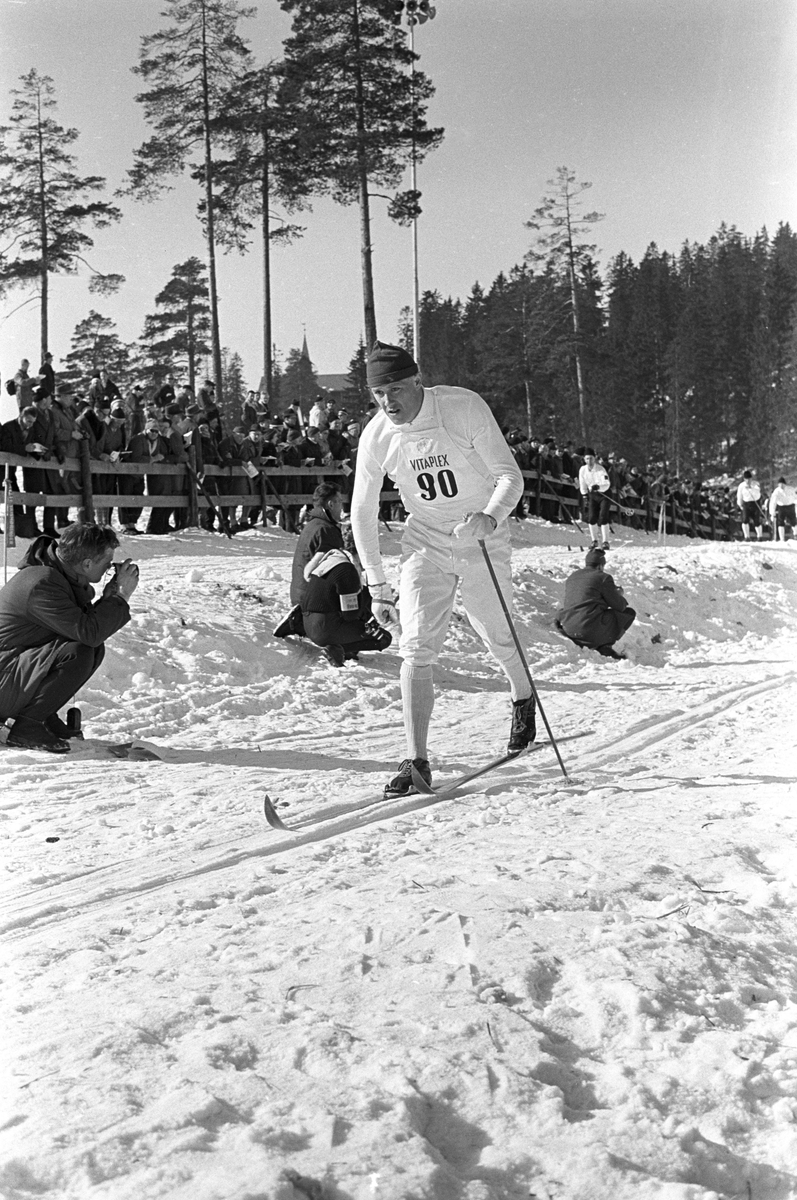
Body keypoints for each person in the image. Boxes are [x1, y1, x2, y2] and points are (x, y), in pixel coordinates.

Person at [350, 341, 534, 799]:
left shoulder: (461, 406)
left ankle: (523, 696)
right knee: (415, 647)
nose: (388, 402)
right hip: (426, 541)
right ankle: (416, 761)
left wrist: (489, 517)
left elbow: (510, 475)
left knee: (496, 635)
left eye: (395, 389)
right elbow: (361, 510)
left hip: (482, 539)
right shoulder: (377, 436)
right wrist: (377, 583)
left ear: (417, 381)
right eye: (378, 394)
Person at [0, 523, 138, 752]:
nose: (108, 570)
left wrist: (108, 598)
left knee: (90, 648)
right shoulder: (42, 583)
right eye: (106, 564)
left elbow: (84, 627)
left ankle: (42, 715)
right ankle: (26, 726)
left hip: (12, 670)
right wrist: (121, 597)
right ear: (86, 564)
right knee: (79, 651)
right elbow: (88, 632)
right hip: (5, 674)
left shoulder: (59, 575)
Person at [301, 534, 392, 667]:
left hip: (308, 624)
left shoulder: (332, 560)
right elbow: (350, 614)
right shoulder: (348, 570)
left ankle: (343, 648)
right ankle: (338, 649)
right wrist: (367, 603)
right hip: (324, 628)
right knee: (384, 638)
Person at [273, 482, 347, 639]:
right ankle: (314, 626)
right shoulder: (327, 530)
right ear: (331, 504)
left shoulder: (312, 524)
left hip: (299, 595)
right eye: (340, 502)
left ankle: (304, 620)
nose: (342, 506)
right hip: (311, 601)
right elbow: (335, 572)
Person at [554, 547, 635, 660]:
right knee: (629, 613)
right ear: (600, 565)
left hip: (569, 628)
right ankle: (605, 645)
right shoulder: (603, 577)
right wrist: (618, 594)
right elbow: (620, 606)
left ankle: (595, 641)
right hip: (588, 630)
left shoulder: (572, 576)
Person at [578, 449, 612, 549]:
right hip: (593, 495)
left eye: (591, 458)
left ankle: (605, 542)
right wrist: (584, 495)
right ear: (584, 459)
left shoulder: (601, 469)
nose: (589, 461)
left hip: (604, 494)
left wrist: (598, 486)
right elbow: (582, 483)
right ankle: (594, 541)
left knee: (603, 516)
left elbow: (607, 484)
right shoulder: (582, 470)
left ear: (595, 459)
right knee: (592, 517)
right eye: (587, 459)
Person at [736, 470, 764, 541]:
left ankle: (759, 536)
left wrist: (751, 488)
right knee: (745, 520)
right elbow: (739, 495)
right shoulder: (741, 486)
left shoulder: (756, 484)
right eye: (746, 479)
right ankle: (747, 536)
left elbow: (758, 494)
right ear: (744, 479)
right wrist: (740, 504)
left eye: (749, 479)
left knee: (757, 520)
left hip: (755, 503)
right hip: (746, 504)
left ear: (751, 478)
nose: (748, 481)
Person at [769, 476, 797, 542]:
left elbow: (796, 498)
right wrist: (772, 513)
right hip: (781, 507)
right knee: (780, 522)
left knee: (793, 522)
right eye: (779, 484)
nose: (781, 485)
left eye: (782, 484)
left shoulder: (791, 489)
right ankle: (782, 539)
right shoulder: (776, 491)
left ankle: (796, 534)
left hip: (790, 506)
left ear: (785, 484)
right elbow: (773, 502)